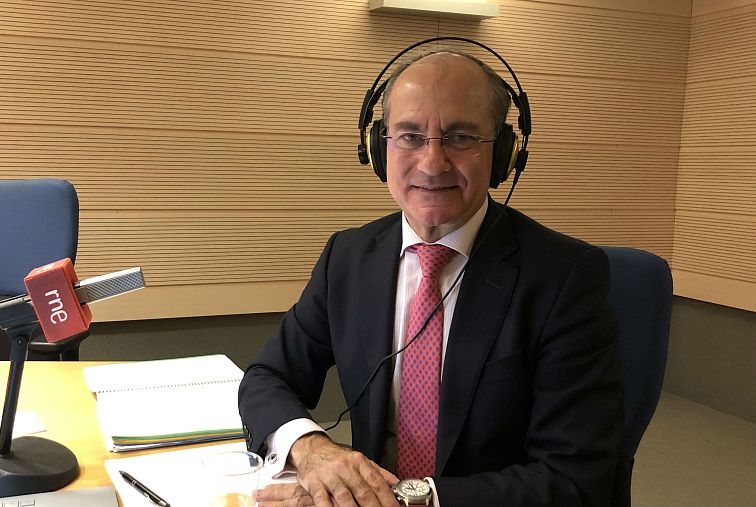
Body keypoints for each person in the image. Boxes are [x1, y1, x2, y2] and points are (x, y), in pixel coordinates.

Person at [238, 48, 623, 506]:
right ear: (379, 148)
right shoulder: (348, 257)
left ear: (502, 153)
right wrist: (310, 448)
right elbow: (267, 377)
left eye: (461, 137)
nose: (432, 162)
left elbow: (573, 478)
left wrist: (399, 500)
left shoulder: (565, 277)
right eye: (410, 136)